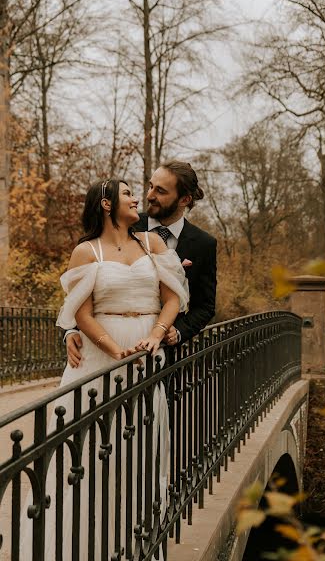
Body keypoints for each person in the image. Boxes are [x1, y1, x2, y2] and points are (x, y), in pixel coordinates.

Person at [20, 178, 189, 560]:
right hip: (102, 358)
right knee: (89, 460)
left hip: (147, 353)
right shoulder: (86, 252)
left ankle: (135, 544)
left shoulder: (153, 243)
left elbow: (173, 297)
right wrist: (116, 351)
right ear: (107, 204)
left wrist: (156, 336)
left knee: (139, 452)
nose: (136, 199)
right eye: (128, 193)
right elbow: (80, 312)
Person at [66, 161, 217, 367]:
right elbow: (82, 292)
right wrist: (71, 330)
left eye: (160, 191)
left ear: (184, 199)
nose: (148, 196)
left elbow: (205, 305)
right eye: (150, 186)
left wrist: (176, 332)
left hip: (161, 351)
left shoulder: (203, 244)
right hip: (103, 345)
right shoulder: (125, 221)